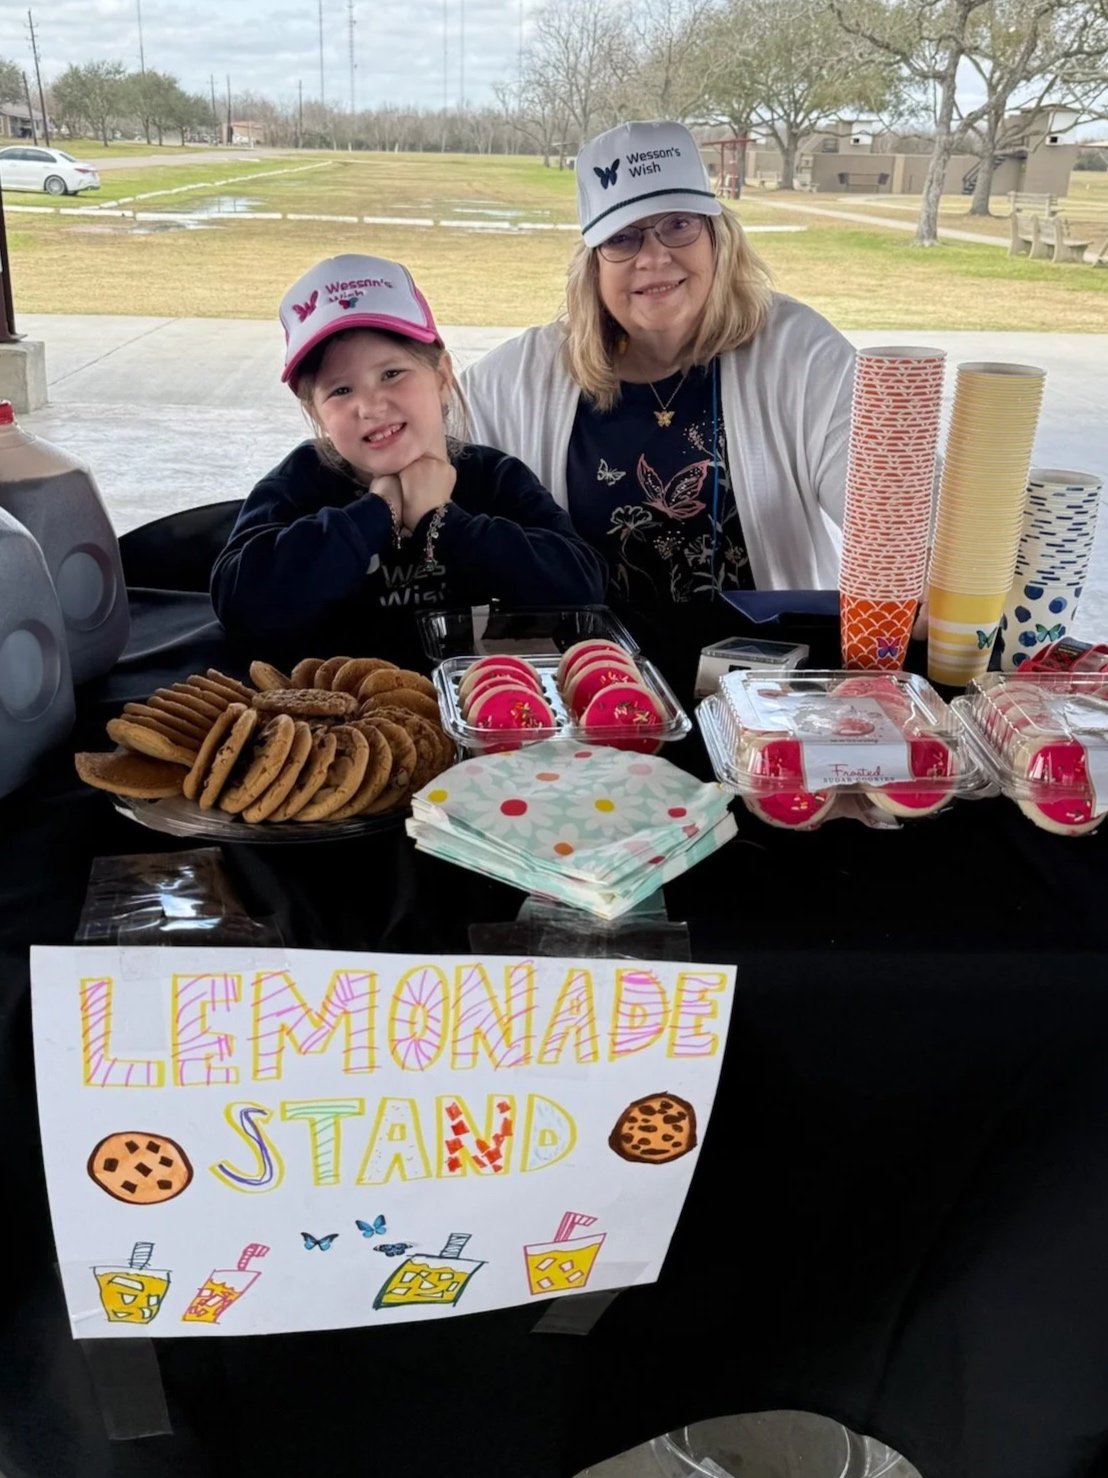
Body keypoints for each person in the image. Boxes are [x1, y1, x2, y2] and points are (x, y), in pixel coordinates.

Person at [460, 120, 856, 619]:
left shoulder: (799, 353)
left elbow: (889, 508)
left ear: (717, 237)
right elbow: (431, 429)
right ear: (594, 265)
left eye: (678, 224)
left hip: (763, 679)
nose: (654, 256)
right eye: (623, 238)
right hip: (589, 675)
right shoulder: (523, 377)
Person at [211, 253, 605, 655]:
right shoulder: (300, 483)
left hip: (477, 705)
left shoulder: (492, 478)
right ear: (317, 412)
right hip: (337, 713)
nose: (370, 406)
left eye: (391, 374)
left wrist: (443, 521)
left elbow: (582, 591)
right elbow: (240, 604)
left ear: (442, 378)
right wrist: (376, 512)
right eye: (341, 390)